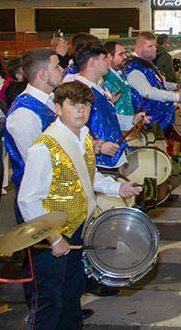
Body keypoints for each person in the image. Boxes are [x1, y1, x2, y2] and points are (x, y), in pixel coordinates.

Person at [17, 81, 142, 330]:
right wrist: (53, 239)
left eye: (84, 104)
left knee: (72, 295)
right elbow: (27, 199)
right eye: (73, 104)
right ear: (57, 108)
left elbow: (86, 176)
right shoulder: (45, 146)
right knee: (49, 301)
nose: (80, 110)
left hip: (78, 229)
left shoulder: (83, 137)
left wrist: (118, 188)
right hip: (51, 238)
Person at [5, 49, 62, 222]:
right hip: (40, 201)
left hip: (58, 191)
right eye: (57, 66)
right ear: (43, 74)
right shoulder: (23, 113)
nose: (63, 70)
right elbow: (36, 162)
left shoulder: (51, 100)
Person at [125, 32, 181, 132]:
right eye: (150, 46)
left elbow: (156, 82)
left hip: (158, 119)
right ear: (139, 48)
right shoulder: (134, 68)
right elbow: (148, 92)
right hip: (149, 122)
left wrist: (174, 86)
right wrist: (174, 97)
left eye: (154, 46)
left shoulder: (146, 64)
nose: (155, 49)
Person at [103, 41, 136, 132]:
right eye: (121, 54)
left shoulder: (120, 74)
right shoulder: (105, 78)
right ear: (109, 56)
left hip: (128, 125)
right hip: (117, 128)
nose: (125, 57)